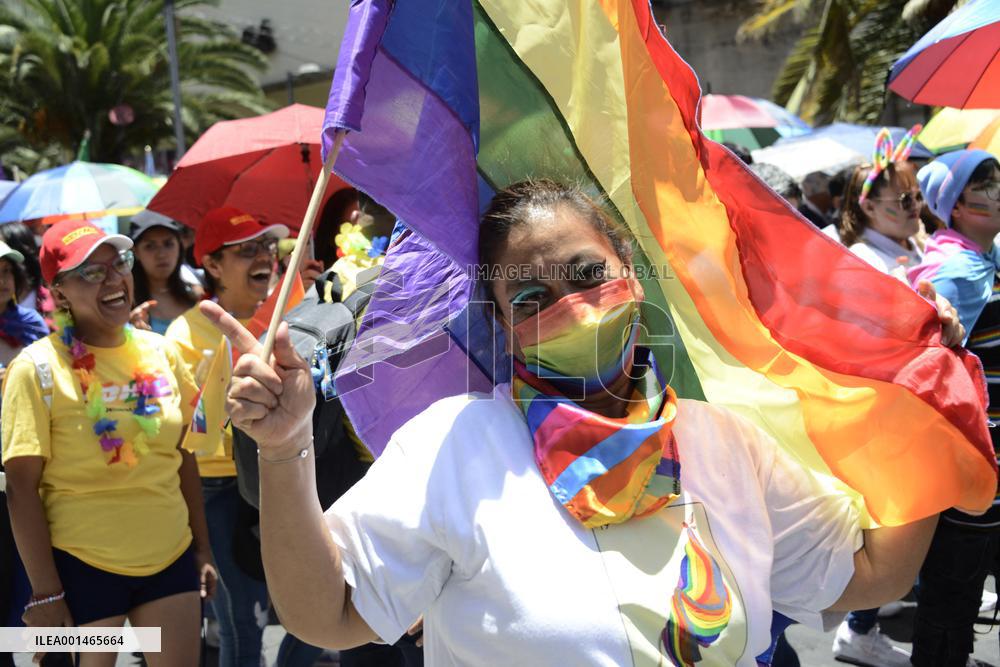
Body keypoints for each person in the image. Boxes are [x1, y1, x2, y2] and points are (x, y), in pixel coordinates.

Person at [205, 179, 960, 666]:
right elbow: (326, 613)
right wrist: (285, 450)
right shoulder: (454, 445)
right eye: (531, 299)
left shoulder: (722, 441)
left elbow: (870, 573)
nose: (569, 305)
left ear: (628, 268)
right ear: (500, 325)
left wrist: (927, 406)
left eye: (587, 274)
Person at [2, 220, 216, 666]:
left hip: (169, 559)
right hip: (81, 570)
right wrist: (45, 594)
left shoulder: (163, 353)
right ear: (59, 293)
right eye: (90, 273)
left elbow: (183, 457)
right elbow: (21, 489)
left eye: (118, 264)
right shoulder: (36, 368)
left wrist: (201, 549)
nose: (114, 279)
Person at [166, 206, 288, 667]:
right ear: (213, 265)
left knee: (319, 598)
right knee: (242, 619)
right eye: (247, 250)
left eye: (267, 247)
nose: (264, 257)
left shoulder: (287, 316)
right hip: (217, 489)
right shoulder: (184, 335)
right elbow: (191, 430)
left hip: (275, 478)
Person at [830, 140, 927, 667]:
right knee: (888, 521)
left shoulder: (902, 246)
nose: (915, 208)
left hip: (900, 410)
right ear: (867, 207)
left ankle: (875, 605)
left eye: (915, 197)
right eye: (902, 201)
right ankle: (859, 626)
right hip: (879, 412)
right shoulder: (865, 261)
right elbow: (874, 344)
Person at [907, 149, 1000, 667]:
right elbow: (927, 366)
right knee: (950, 605)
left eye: (997, 181)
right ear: (956, 207)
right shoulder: (955, 273)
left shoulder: (987, 260)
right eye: (983, 186)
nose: (997, 192)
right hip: (973, 470)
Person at [129, 215, 201, 335]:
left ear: (179, 246)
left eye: (168, 244)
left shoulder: (198, 295)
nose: (161, 254)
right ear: (136, 252)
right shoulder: (125, 306)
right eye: (150, 246)